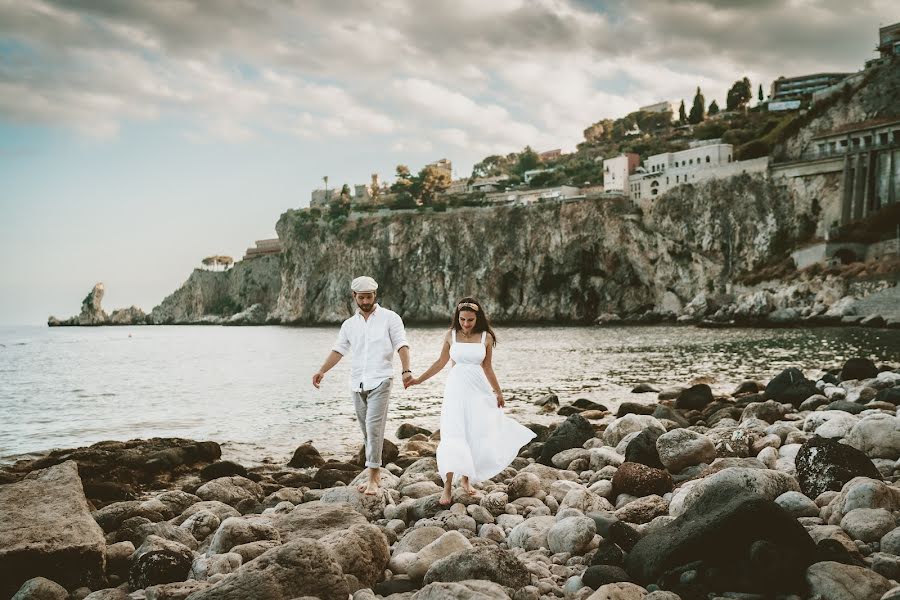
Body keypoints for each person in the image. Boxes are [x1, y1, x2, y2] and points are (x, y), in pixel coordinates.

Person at [406, 297, 535, 505]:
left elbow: (487, 367)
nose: (466, 324)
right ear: (457, 318)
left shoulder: (486, 337)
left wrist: (498, 392)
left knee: (476, 432)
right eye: (463, 319)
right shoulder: (451, 335)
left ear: (478, 318)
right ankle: (447, 487)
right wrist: (418, 380)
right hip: (456, 390)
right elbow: (440, 362)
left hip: (478, 390)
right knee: (453, 433)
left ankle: (466, 480)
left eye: (470, 320)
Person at [313, 276, 412, 495]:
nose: (366, 301)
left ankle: (374, 478)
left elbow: (402, 344)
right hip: (357, 383)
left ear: (375, 295)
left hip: (382, 379)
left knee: (374, 428)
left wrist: (406, 370)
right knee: (366, 432)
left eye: (369, 297)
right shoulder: (349, 325)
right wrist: (322, 371)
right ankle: (373, 471)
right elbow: (339, 350)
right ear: (354, 296)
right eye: (362, 297)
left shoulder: (390, 318)